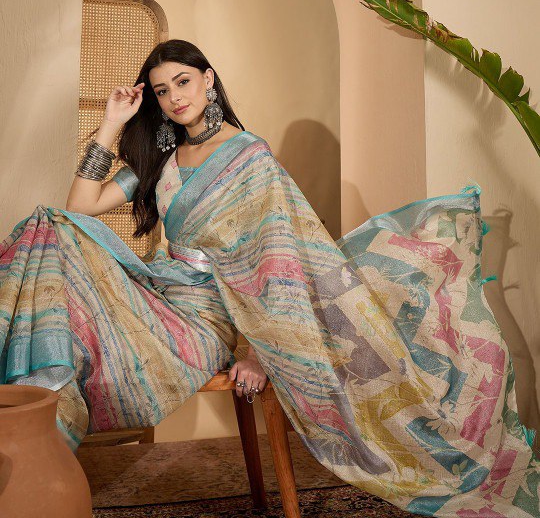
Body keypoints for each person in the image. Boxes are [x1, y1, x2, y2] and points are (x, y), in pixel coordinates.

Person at [0, 39, 538, 517]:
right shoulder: (162, 155)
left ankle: (32, 437)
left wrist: (256, 353)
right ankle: (34, 416)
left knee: (57, 253)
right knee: (48, 230)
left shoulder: (248, 157)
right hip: (160, 289)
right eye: (162, 91)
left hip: (212, 312)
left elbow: (278, 266)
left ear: (208, 79)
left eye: (183, 82)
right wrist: (113, 122)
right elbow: (78, 209)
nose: (175, 98)